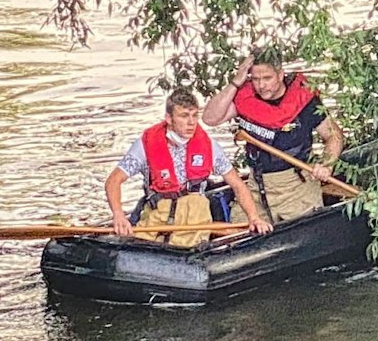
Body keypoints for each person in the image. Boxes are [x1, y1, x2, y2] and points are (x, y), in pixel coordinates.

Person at [105, 86, 269, 244]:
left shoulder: (209, 146)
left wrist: (253, 218)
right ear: (169, 118)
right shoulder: (145, 145)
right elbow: (114, 181)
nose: (191, 122)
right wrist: (118, 215)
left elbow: (237, 185)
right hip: (157, 220)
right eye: (184, 116)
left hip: (195, 223)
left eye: (194, 115)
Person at [225, 47, 345, 223]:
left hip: (296, 185)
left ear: (280, 75)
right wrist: (236, 81)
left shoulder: (303, 99)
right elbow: (210, 118)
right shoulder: (248, 99)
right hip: (255, 185)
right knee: (238, 232)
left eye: (267, 78)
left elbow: (334, 135)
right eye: (256, 79)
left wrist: (327, 165)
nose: (261, 85)